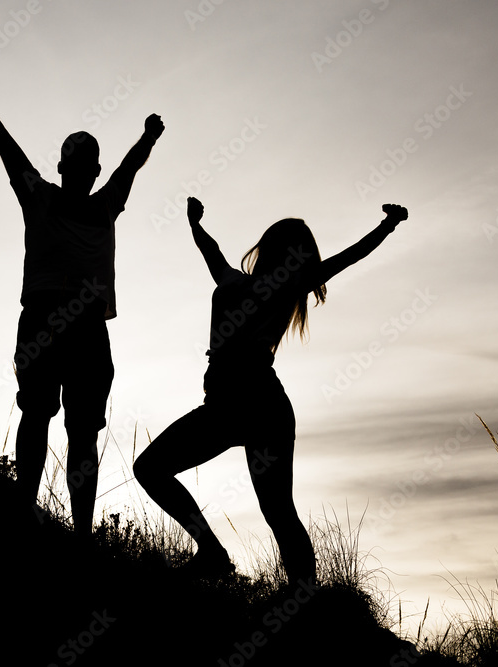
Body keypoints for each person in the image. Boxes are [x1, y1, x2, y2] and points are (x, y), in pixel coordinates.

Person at [133, 197, 408, 584]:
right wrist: (195, 224)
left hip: (251, 399)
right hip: (243, 402)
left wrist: (387, 226)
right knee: (274, 508)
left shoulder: (285, 285)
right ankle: (250, 570)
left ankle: (283, 586)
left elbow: (349, 258)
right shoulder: (234, 280)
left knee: (270, 506)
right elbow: (209, 250)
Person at [0, 66, 163, 538]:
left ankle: (81, 532)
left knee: (80, 431)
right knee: (39, 413)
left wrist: (148, 138)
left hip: (84, 326)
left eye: (88, 165)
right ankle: (25, 509)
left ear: (92, 171)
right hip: (49, 318)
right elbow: (1, 139)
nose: (82, 172)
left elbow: (131, 166)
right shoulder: (39, 196)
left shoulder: (104, 205)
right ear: (65, 168)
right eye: (77, 164)